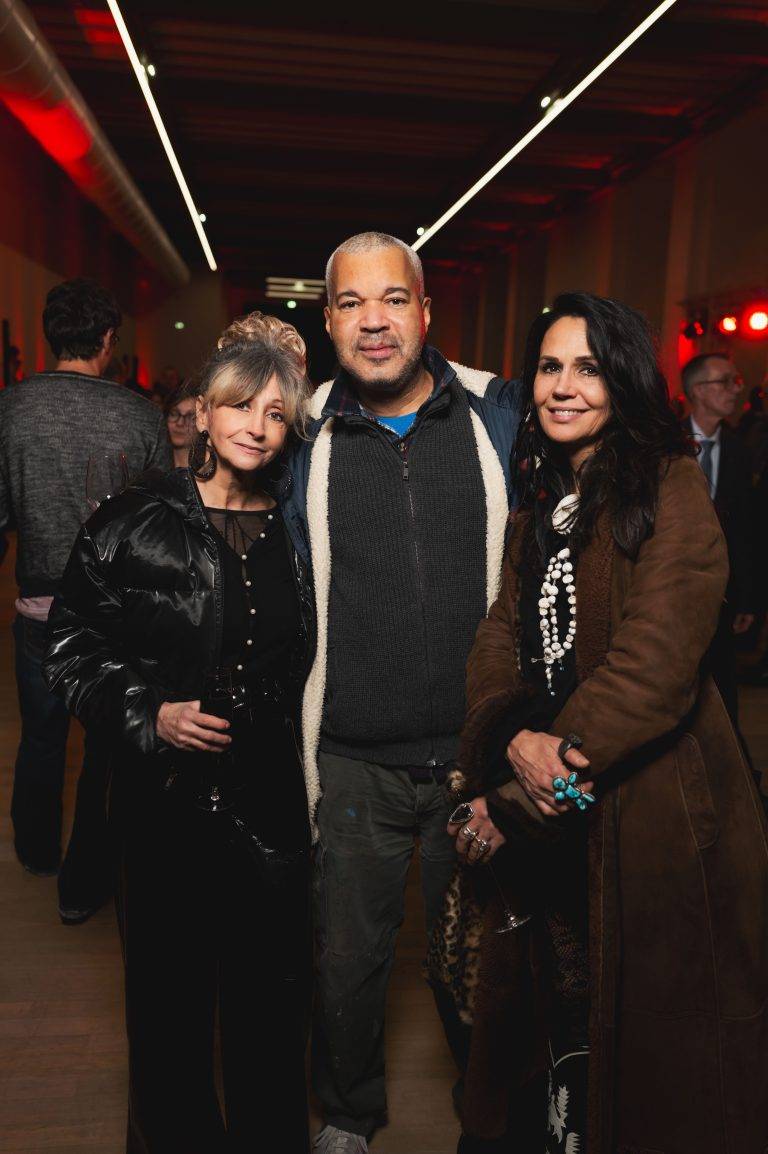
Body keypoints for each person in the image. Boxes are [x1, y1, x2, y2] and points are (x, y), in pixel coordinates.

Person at [446, 292, 768, 1154]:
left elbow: (655, 669)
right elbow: (497, 638)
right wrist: (508, 734)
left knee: (653, 1071)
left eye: (587, 367)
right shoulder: (535, 509)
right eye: (550, 366)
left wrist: (526, 785)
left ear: (623, 380)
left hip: (651, 818)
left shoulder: (669, 490)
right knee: (555, 1045)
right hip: (551, 806)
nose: (563, 387)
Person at [43, 316, 315, 1153]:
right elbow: (71, 646)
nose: (256, 428)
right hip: (164, 805)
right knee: (169, 1009)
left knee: (270, 1007)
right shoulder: (133, 519)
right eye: (241, 407)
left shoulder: (300, 527)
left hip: (269, 800)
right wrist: (147, 712)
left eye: (276, 415)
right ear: (201, 410)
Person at [282, 231, 523, 1153]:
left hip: (478, 758)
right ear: (330, 319)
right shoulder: (300, 434)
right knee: (348, 962)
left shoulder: (497, 418)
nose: (374, 322)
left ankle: (492, 1101)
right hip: (353, 760)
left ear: (426, 312)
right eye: (351, 303)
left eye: (393, 300)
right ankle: (349, 1111)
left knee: (488, 959)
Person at [0, 278, 170, 887]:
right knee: (106, 747)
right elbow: (156, 528)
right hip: (113, 612)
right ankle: (90, 866)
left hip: (39, 607)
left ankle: (37, 850)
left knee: (41, 738)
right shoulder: (139, 415)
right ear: (107, 339)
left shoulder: (10, 408)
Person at [681, 353, 755, 726]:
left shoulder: (744, 451)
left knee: (723, 696)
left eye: (735, 380)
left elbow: (749, 529)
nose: (735, 389)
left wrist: (749, 597)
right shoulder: (663, 443)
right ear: (698, 390)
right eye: (724, 382)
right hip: (673, 589)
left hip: (724, 594)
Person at [164, 384, 197, 468]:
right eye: (174, 414)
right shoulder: (151, 470)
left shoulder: (209, 475)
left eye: (190, 417)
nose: (180, 423)